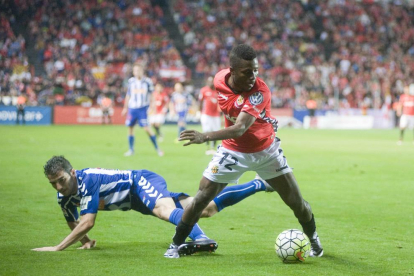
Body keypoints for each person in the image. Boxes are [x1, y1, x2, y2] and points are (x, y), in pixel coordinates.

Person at [166, 44, 323, 258]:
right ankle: (175, 245)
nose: (253, 76)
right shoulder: (219, 80)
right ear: (232, 71)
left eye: (256, 70)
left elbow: (240, 128)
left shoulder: (260, 91)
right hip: (232, 151)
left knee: (297, 203)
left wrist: (205, 136)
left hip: (265, 151)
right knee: (201, 198)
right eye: (247, 72)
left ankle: (314, 241)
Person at [32, 156, 274, 255]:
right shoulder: (63, 197)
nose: (59, 187)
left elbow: (87, 221)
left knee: (163, 211)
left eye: (61, 181)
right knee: (206, 208)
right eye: (53, 184)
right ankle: (259, 184)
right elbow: (73, 220)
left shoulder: (88, 180)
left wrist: (57, 248)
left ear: (72, 173)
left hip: (140, 182)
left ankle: (199, 238)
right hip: (136, 201)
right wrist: (86, 243)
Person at [121, 64, 163, 156]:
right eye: (135, 71)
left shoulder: (147, 81)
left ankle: (158, 149)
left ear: (142, 71)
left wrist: (153, 106)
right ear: (133, 72)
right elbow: (128, 95)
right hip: (132, 108)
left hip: (142, 109)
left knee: (146, 129)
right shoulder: (131, 81)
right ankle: (131, 150)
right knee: (130, 128)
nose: (137, 72)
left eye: (138, 70)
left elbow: (152, 95)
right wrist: (125, 107)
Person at [199, 76, 221, 155]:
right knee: (207, 131)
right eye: (209, 81)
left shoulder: (218, 91)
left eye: (212, 81)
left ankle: (213, 148)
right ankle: (207, 148)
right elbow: (200, 102)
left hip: (215, 115)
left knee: (216, 132)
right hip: (206, 114)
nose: (211, 83)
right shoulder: (203, 90)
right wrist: (199, 112)